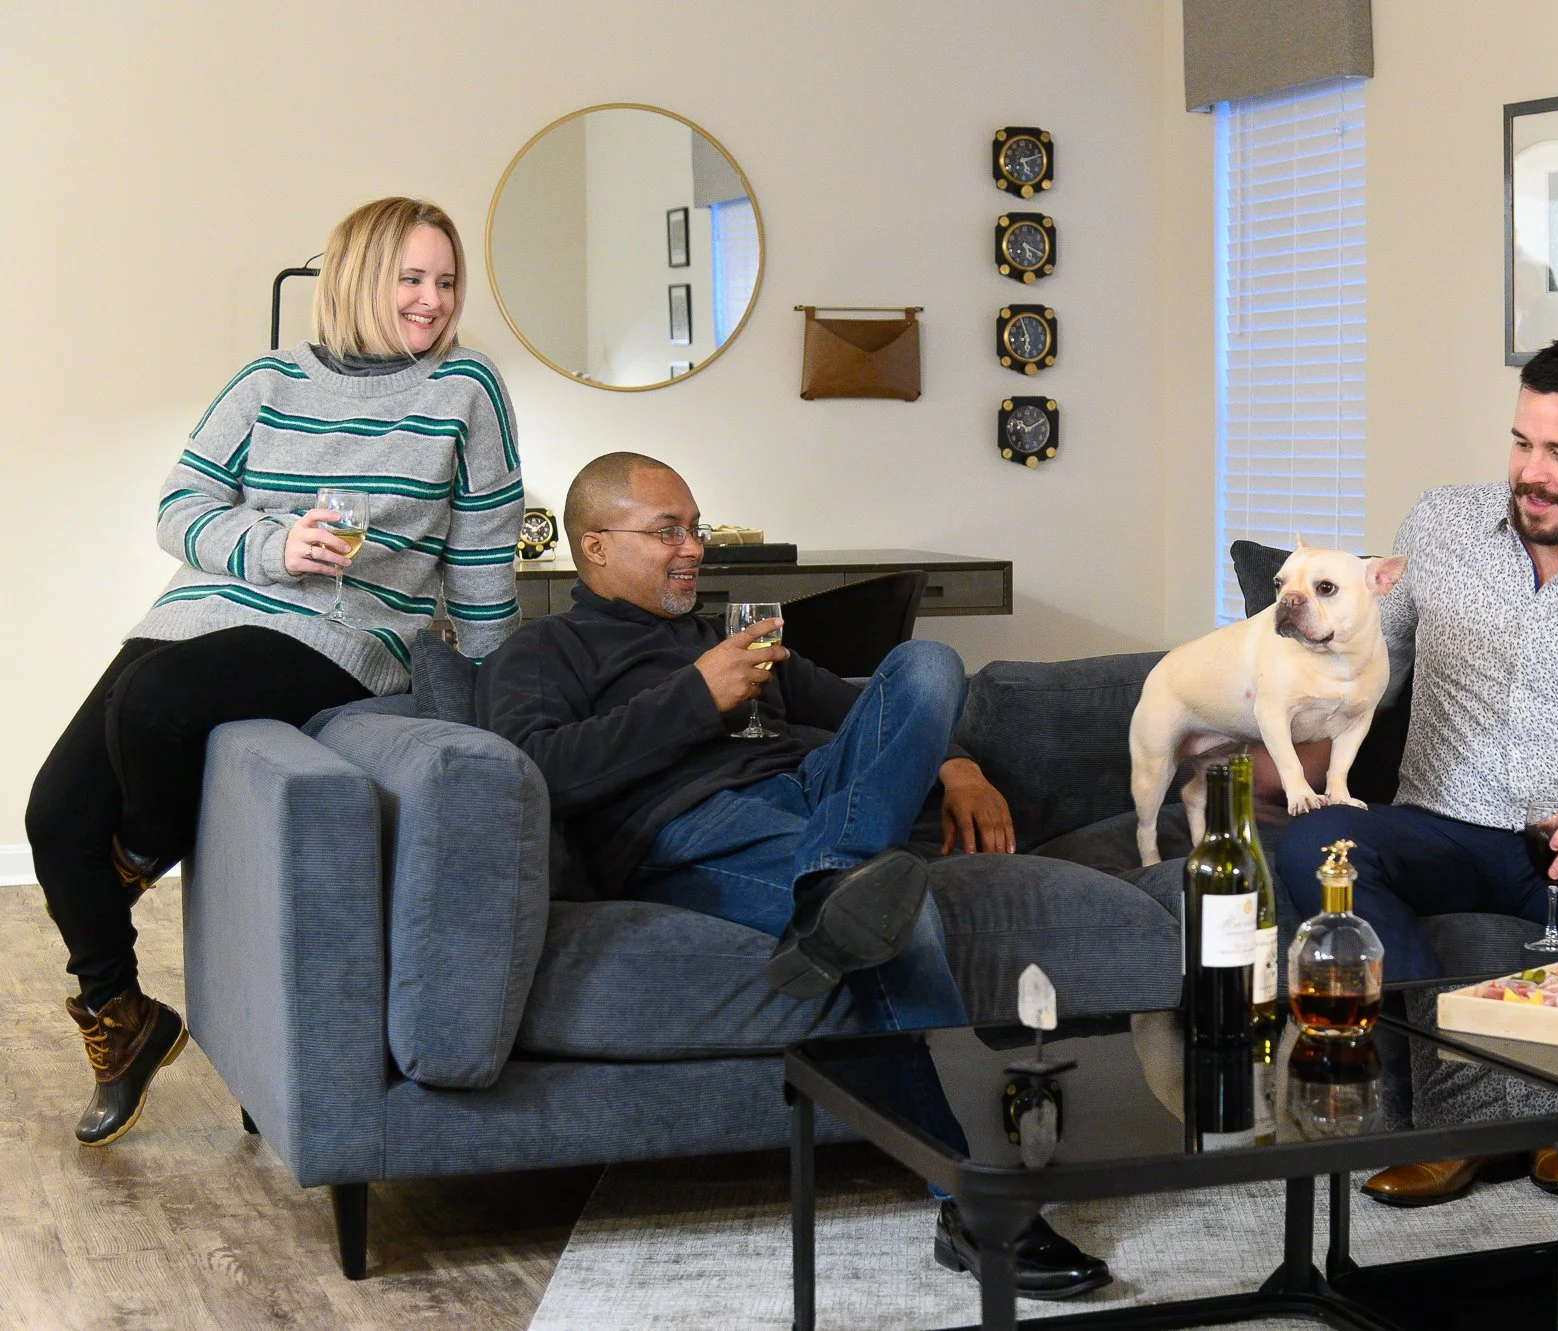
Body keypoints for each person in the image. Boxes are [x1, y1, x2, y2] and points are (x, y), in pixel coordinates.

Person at [474, 452, 1111, 1299]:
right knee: (903, 921)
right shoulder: (542, 649)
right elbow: (536, 770)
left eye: (695, 527)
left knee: (927, 667)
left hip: (812, 806)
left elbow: (868, 713)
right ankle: (981, 1208)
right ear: (594, 545)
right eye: (666, 531)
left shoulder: (728, 629)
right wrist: (697, 698)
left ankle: (835, 881)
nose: (691, 548)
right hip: (694, 833)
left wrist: (957, 767)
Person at [27, 197, 524, 1147]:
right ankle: (122, 1018)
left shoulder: (466, 389)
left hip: (347, 632)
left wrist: (495, 691)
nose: (431, 301)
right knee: (51, 812)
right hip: (206, 606)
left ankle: (129, 863)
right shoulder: (265, 381)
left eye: (446, 281)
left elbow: (485, 551)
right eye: (410, 278)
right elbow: (178, 506)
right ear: (355, 278)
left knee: (158, 704)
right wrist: (270, 544)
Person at [1274, 330, 1558, 1205]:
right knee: (1317, 848)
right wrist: (1270, 734)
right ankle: (1468, 1120)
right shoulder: (1440, 525)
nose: (1532, 471)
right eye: (1523, 441)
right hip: (1439, 825)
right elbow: (1367, 672)